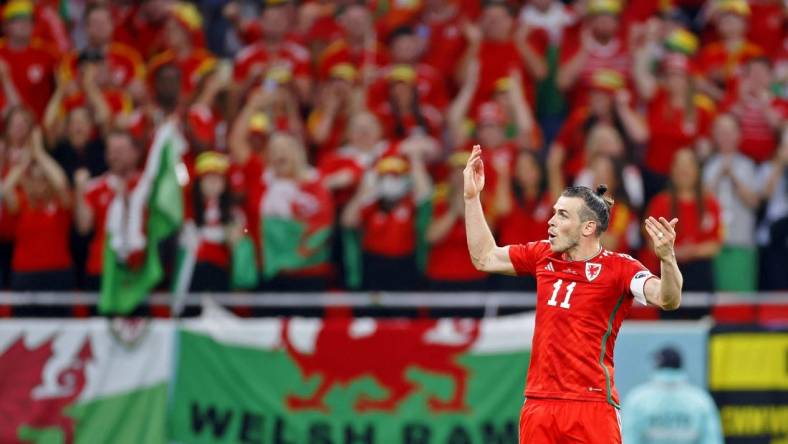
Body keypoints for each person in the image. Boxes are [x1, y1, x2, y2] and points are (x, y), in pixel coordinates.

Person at [463, 144, 683, 444]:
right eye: (553, 213)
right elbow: (484, 257)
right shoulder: (543, 255)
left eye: (562, 215)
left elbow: (668, 298)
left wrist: (667, 259)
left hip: (591, 406)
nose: (551, 221)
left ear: (588, 227)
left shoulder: (619, 268)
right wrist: (472, 197)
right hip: (539, 404)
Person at [622, 347, 724, 444]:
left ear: (656, 366)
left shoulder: (637, 399)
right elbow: (712, 440)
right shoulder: (700, 400)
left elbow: (628, 439)